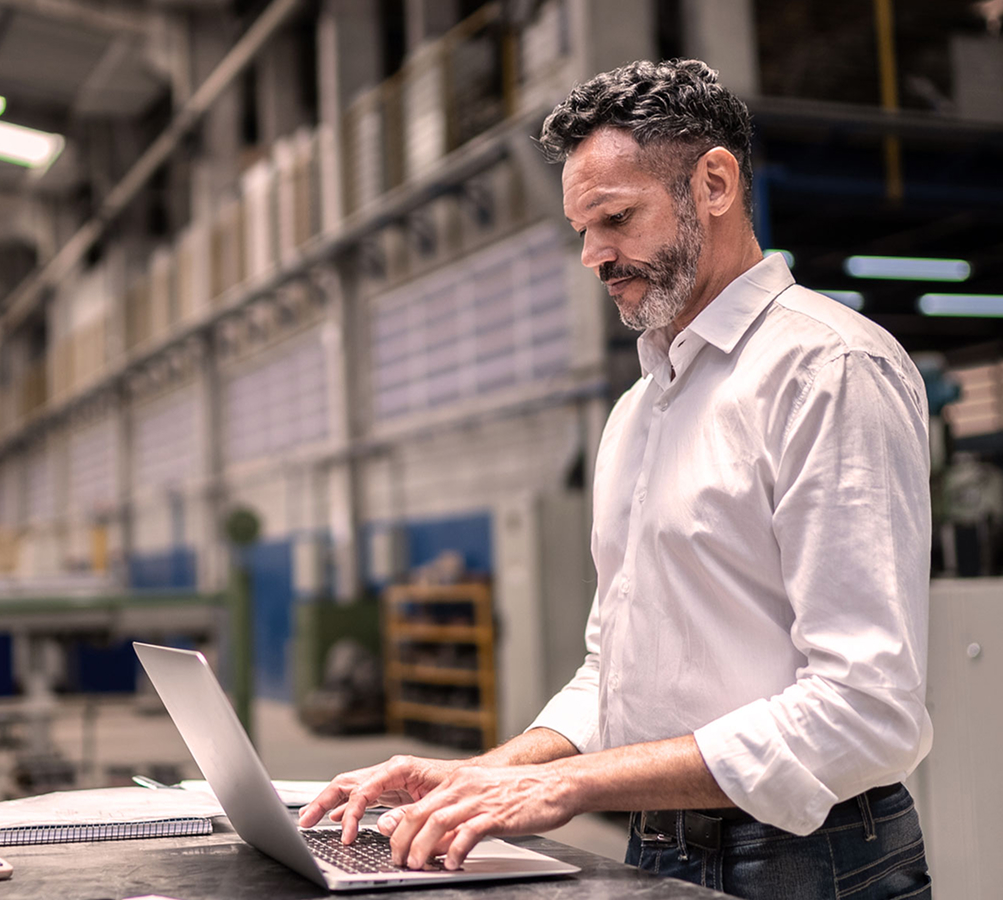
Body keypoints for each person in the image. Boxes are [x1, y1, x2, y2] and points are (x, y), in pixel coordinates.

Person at [298, 59, 934, 899]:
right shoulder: (641, 408)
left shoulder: (826, 369)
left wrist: (568, 787)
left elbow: (866, 710)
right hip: (659, 838)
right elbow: (615, 674)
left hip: (809, 859)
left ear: (712, 183)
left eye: (616, 218)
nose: (596, 255)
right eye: (582, 231)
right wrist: (481, 777)